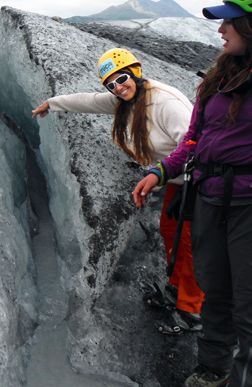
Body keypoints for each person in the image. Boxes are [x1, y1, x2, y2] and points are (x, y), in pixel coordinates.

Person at [133, 0, 252, 387]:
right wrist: (162, 171)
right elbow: (194, 138)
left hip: (251, 206)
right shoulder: (218, 81)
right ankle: (213, 369)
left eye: (230, 21)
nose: (220, 30)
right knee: (214, 290)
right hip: (206, 197)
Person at [32, 47, 204, 334]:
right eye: (111, 84)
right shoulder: (128, 100)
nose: (118, 87)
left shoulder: (165, 103)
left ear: (135, 72)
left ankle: (193, 312)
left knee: (190, 244)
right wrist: (53, 102)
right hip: (177, 182)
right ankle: (177, 292)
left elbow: (197, 146)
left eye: (122, 78)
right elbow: (90, 101)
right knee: (171, 234)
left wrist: (159, 173)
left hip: (199, 183)